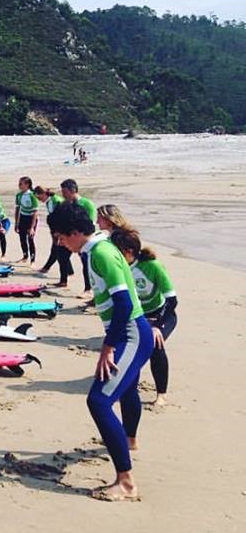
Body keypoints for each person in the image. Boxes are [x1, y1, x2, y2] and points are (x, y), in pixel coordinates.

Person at [48, 201, 153, 502]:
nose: (60, 242)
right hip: (130, 332)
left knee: (99, 401)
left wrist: (108, 348)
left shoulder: (101, 253)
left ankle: (126, 483)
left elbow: (122, 304)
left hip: (130, 334)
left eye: (60, 236)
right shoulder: (98, 247)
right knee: (128, 390)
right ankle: (129, 440)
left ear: (76, 232)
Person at [110, 228, 178, 408]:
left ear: (128, 251)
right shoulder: (117, 267)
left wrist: (157, 326)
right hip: (136, 316)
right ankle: (126, 384)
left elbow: (172, 300)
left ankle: (161, 394)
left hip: (162, 314)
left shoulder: (152, 266)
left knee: (156, 344)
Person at [62, 179, 98, 296]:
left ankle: (88, 289)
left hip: (85, 239)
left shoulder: (86, 204)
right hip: (72, 238)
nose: (63, 195)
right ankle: (65, 279)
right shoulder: (68, 204)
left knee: (86, 264)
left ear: (72, 191)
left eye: (65, 192)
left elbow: (90, 223)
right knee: (62, 257)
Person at [35, 185, 74, 287]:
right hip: (60, 229)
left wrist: (55, 233)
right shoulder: (50, 201)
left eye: (39, 197)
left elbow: (57, 218)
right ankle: (68, 272)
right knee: (60, 251)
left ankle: (62, 277)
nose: (39, 200)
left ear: (44, 194)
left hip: (63, 229)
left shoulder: (54, 201)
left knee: (60, 251)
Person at [14, 176, 38, 264]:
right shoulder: (19, 195)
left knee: (30, 239)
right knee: (22, 238)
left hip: (31, 218)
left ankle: (33, 260)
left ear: (27, 185)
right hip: (23, 217)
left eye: (21, 184)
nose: (19, 185)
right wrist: (16, 223)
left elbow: (35, 212)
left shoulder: (32, 195)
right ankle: (25, 257)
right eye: (19, 183)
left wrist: (32, 227)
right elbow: (17, 210)